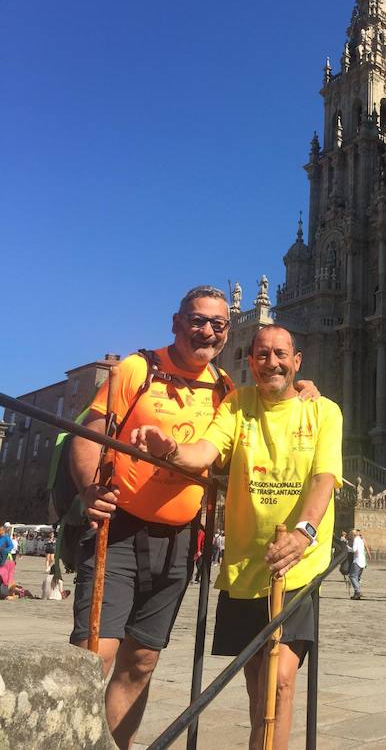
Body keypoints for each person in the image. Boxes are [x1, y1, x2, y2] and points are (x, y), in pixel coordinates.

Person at [69, 287, 316, 750]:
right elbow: (90, 431)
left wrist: (303, 392)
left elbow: (240, 430)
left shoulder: (225, 388)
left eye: (218, 325)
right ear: (177, 322)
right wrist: (88, 489)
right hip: (118, 527)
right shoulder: (137, 369)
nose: (207, 331)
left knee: (141, 661)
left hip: (181, 539)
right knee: (93, 657)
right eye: (197, 321)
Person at [132, 324, 341, 750]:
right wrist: (169, 450)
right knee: (256, 685)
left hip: (299, 563)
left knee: (279, 679)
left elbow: (324, 479)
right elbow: (204, 453)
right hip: (246, 565)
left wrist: (304, 533)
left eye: (281, 354)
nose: (272, 363)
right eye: (262, 355)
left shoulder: (324, 411)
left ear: (297, 360)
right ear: (250, 361)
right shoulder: (235, 406)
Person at [348, 529, 366, 599]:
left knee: (352, 576)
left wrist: (347, 548)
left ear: (353, 535)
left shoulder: (356, 539)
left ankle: (357, 591)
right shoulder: (361, 539)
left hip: (357, 561)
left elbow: (354, 550)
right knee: (356, 578)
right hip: (362, 561)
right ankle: (356, 594)